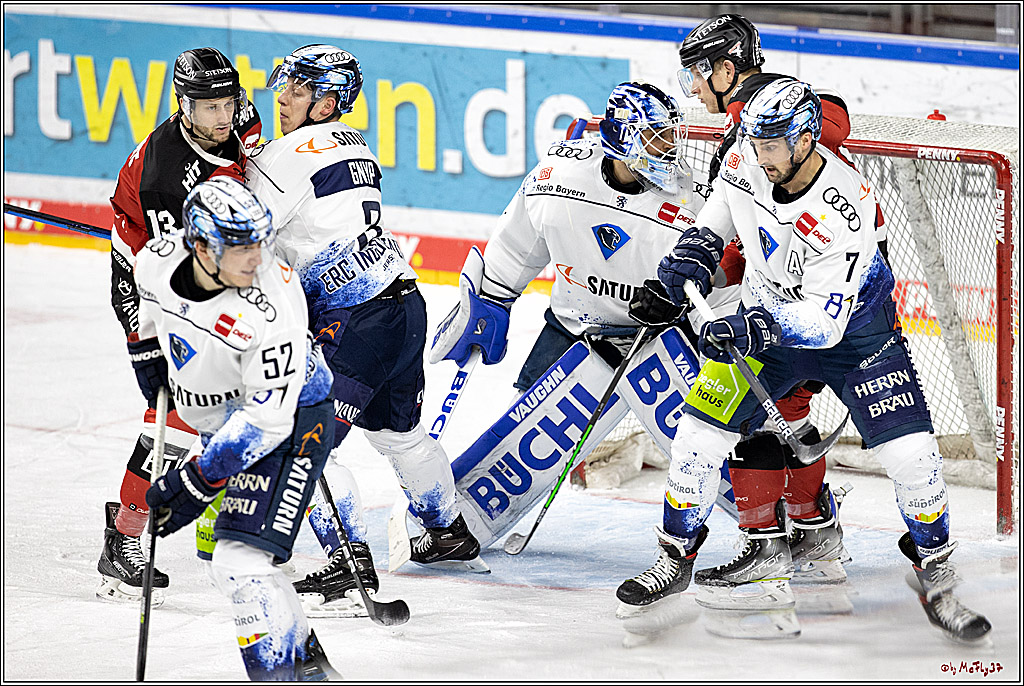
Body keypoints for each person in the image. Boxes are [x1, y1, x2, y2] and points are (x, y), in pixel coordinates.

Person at [627, 77, 991, 642]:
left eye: (772, 145)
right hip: (764, 324)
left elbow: (824, 325)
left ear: (804, 140)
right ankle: (674, 558)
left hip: (856, 340)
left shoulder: (846, 207)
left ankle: (936, 572)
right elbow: (713, 222)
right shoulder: (747, 156)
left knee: (913, 456)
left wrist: (751, 327)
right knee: (696, 438)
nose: (760, 156)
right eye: (756, 142)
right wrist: (681, 269)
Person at [245, 44, 484, 613]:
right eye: (285, 86)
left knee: (305, 443)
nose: (283, 98)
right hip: (403, 307)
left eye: (298, 90)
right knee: (400, 435)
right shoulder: (356, 144)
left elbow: (243, 228)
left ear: (326, 103)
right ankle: (446, 530)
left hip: (356, 321)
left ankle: (347, 564)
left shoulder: (283, 155)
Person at [673, 13, 880, 584]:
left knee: (755, 417)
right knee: (784, 412)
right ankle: (815, 531)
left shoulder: (765, 113)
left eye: (697, 74)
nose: (693, 89)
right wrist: (714, 266)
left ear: (725, 69)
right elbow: (753, 226)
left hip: (823, 292)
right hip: (804, 288)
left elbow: (834, 118)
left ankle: (780, 543)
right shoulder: (746, 123)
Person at [134, 177, 338, 680]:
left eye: (260, 243)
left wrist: (198, 479)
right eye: (242, 247)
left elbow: (268, 420)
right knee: (234, 566)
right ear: (201, 247)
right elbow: (148, 308)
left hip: (293, 426)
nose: (257, 257)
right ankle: (307, 664)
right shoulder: (155, 261)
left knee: (237, 559)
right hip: (226, 426)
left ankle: (280, 674)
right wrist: (147, 354)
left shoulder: (275, 302)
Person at [98, 46, 261, 602]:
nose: (224, 116)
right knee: (173, 418)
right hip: (151, 287)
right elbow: (178, 274)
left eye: (229, 103)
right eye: (209, 107)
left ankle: (227, 518)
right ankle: (124, 536)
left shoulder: (235, 116)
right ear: (183, 105)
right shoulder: (166, 178)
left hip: (208, 268)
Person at [431, 81, 704, 396]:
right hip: (575, 329)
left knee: (696, 426)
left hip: (659, 337)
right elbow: (515, 248)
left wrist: (683, 302)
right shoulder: (560, 176)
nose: (671, 145)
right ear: (625, 138)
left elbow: (715, 277)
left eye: (671, 133)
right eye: (658, 134)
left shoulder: (693, 200)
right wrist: (491, 302)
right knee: (522, 419)